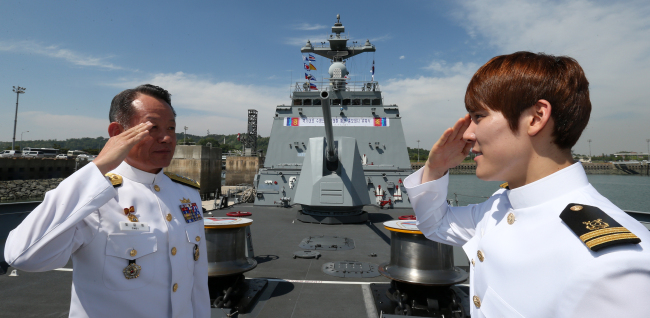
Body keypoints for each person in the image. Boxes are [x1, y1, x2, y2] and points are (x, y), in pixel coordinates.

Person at [404, 52, 650, 317]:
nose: (467, 134)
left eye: (479, 116)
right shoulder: (500, 206)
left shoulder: (613, 266)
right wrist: (435, 167)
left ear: (536, 117)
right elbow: (436, 224)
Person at [4, 84, 210, 317]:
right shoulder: (94, 197)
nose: (166, 138)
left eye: (171, 128)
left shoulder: (186, 194)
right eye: (153, 128)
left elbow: (197, 285)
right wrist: (98, 167)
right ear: (116, 132)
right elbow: (23, 256)